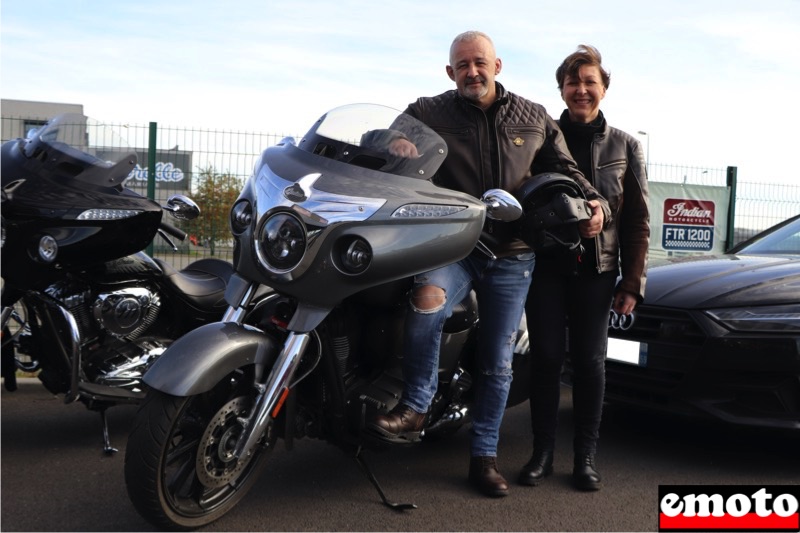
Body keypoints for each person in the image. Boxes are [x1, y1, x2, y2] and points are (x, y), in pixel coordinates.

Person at [367, 31, 611, 498]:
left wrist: (595, 201)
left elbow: (567, 168)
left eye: (480, 63)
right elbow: (377, 135)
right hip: (450, 246)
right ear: (450, 72)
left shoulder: (532, 116)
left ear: (497, 66)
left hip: (513, 253)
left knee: (498, 361)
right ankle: (416, 405)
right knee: (425, 302)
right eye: (462, 65)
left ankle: (483, 457)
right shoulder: (427, 111)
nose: (472, 72)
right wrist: (393, 141)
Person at [518, 44, 650, 491]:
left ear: (604, 89)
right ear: (562, 88)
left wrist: (632, 281)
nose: (581, 90)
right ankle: (541, 453)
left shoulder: (625, 145)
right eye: (572, 82)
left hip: (598, 271)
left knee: (591, 362)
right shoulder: (542, 137)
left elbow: (637, 220)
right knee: (547, 359)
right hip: (547, 268)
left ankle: (585, 458)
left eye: (589, 82)